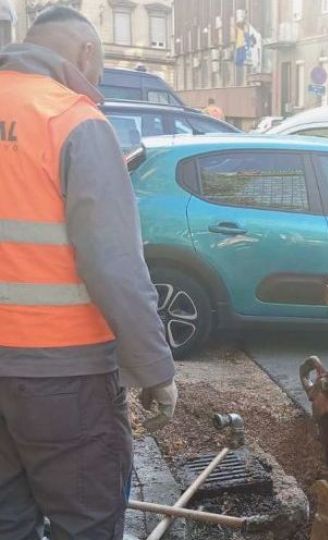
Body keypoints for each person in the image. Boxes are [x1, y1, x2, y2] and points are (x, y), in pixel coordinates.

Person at [0, 6, 177, 538]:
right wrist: (154, 369)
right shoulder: (71, 120)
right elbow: (113, 265)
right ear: (85, 54)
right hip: (63, 376)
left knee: (7, 520)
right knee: (87, 523)